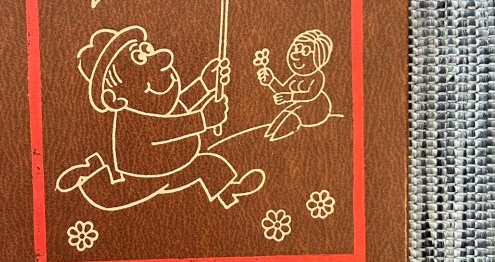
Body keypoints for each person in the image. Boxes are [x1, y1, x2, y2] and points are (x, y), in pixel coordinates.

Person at [56, 26, 265, 210]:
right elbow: (167, 129)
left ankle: (230, 193)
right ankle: (90, 172)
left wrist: (205, 83)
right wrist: (204, 119)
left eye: (146, 50)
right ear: (115, 99)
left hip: (179, 164)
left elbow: (179, 108)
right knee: (205, 165)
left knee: (210, 164)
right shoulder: (133, 119)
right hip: (148, 177)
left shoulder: (160, 106)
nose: (163, 58)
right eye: (139, 59)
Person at [257, 29, 334, 141]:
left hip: (317, 109)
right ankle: (270, 135)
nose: (295, 55)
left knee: (292, 114)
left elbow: (311, 95)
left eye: (305, 51)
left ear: (319, 57)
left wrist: (289, 97)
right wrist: (271, 81)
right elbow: (283, 90)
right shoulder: (295, 78)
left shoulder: (317, 76)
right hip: (298, 108)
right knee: (287, 113)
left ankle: (274, 138)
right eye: (296, 48)